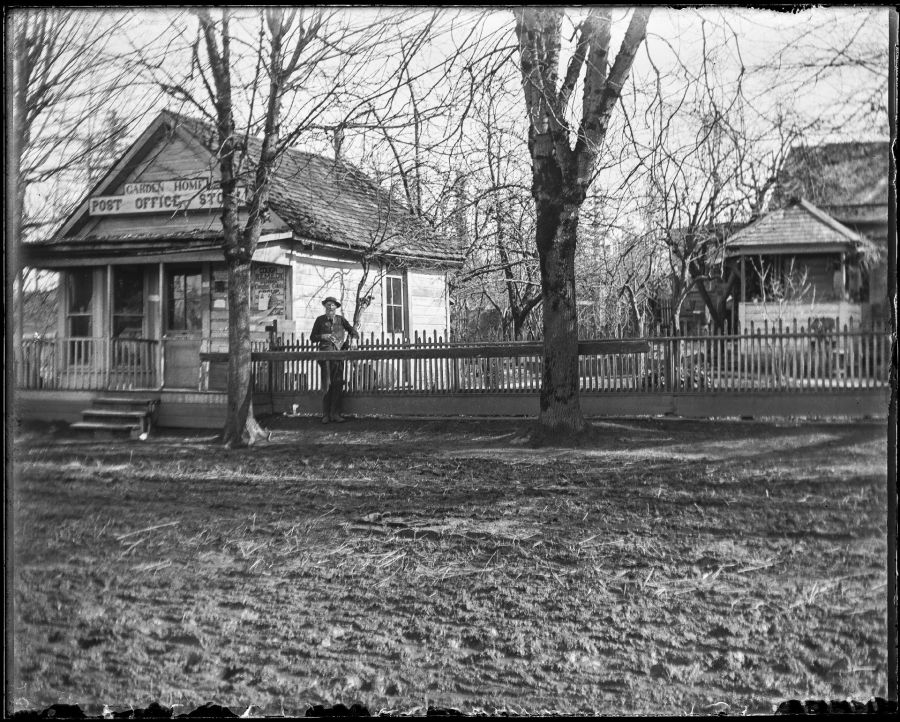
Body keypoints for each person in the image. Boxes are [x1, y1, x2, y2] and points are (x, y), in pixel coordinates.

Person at [310, 296, 358, 424]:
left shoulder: (341, 320)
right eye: (328, 305)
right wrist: (322, 336)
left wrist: (353, 340)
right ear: (325, 306)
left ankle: (335, 414)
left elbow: (353, 331)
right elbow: (312, 337)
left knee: (337, 384)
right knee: (327, 385)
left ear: (336, 307)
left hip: (338, 356)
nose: (330, 307)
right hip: (325, 355)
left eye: (333, 305)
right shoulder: (320, 320)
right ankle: (325, 415)